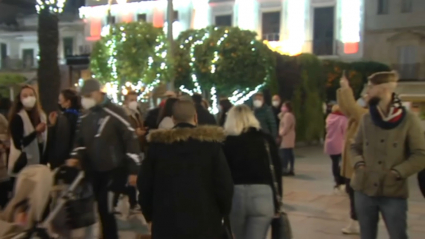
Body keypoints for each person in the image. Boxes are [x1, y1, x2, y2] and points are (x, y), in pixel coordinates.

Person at [138, 99, 233, 239]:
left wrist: (149, 214)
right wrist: (222, 212)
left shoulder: (158, 147)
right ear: (195, 117)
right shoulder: (210, 146)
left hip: (166, 221)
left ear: (173, 119)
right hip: (205, 220)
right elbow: (224, 184)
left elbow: (145, 184)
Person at [350, 71, 425, 239]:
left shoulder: (409, 120)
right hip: (364, 188)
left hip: (393, 192)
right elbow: (354, 147)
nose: (365, 93)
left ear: (383, 89)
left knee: (398, 235)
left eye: (370, 88)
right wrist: (359, 164)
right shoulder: (367, 119)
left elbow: (421, 155)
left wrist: (397, 172)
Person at [67, 79, 141, 239]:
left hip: (114, 171)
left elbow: (130, 138)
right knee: (100, 209)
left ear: (99, 93)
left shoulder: (115, 112)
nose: (86, 99)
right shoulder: (85, 116)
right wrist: (76, 156)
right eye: (83, 96)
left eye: (89, 95)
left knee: (105, 207)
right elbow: (79, 141)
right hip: (94, 171)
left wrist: (133, 169)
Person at [223, 104, 282, 239]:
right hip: (263, 195)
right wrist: (278, 201)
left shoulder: (225, 142)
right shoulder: (266, 140)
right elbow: (276, 171)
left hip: (235, 195)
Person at [337, 74, 368, 234]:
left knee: (356, 195)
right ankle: (355, 222)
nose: (364, 97)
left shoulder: (366, 115)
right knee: (351, 192)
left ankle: (357, 222)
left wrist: (346, 89)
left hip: (358, 164)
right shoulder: (359, 115)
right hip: (351, 164)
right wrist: (342, 90)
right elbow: (346, 108)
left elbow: (353, 108)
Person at [113, 91, 146, 212]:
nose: (134, 102)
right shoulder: (124, 115)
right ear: (126, 101)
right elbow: (124, 133)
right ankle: (122, 202)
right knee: (126, 177)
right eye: (131, 99)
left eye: (135, 99)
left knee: (129, 178)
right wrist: (135, 133)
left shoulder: (136, 114)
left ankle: (130, 202)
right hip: (126, 151)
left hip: (135, 149)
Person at [8, 85, 47, 177]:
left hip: (38, 164)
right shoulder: (17, 118)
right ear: (20, 99)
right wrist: (36, 132)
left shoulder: (41, 116)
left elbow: (44, 139)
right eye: (25, 96)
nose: (29, 98)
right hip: (22, 166)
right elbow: (19, 144)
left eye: (31, 95)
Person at [47, 89, 80, 169]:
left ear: (68, 102)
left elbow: (60, 141)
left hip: (64, 161)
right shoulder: (81, 116)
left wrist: (52, 125)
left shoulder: (63, 118)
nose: (59, 103)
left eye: (60, 100)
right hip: (76, 158)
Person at [324, 104, 347, 190]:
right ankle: (342, 180)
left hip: (330, 143)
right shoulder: (343, 119)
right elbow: (346, 131)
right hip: (340, 144)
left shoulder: (329, 118)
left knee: (334, 163)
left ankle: (336, 180)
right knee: (342, 162)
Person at [279, 101, 296, 176]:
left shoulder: (288, 116)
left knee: (285, 153)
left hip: (287, 136)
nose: (282, 108)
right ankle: (290, 169)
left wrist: (281, 133)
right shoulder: (287, 115)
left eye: (284, 106)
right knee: (289, 152)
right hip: (289, 136)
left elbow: (286, 127)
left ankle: (285, 168)